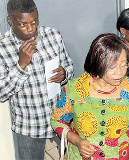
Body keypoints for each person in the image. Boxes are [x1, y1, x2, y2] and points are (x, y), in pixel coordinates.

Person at [50, 33, 129, 160]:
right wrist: (77, 141)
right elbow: (57, 120)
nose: (120, 72)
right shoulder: (75, 89)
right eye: (112, 67)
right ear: (97, 64)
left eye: (124, 64)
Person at [0, 0, 74, 159]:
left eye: (34, 22)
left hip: (59, 120)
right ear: (10, 21)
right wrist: (21, 65)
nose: (30, 29)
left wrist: (64, 73)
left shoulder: (53, 35)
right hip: (29, 129)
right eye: (22, 24)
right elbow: (2, 92)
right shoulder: (3, 47)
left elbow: (69, 65)